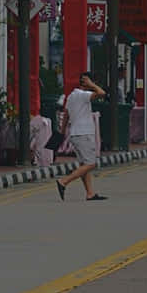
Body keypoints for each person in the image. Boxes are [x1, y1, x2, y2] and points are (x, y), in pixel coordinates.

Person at [56, 73, 106, 202]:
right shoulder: (83, 95)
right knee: (91, 163)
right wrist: (92, 85)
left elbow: (66, 114)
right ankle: (64, 182)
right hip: (84, 133)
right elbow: (102, 93)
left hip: (75, 133)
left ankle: (90, 193)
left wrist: (62, 131)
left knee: (84, 164)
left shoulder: (71, 96)